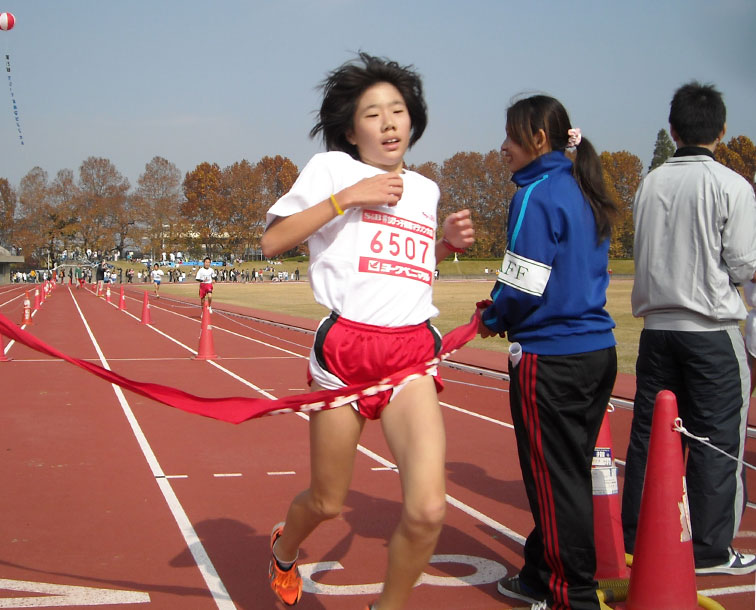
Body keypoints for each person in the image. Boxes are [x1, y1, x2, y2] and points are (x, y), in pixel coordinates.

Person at [261, 53, 474, 610]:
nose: (388, 123)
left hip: (410, 354)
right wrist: (348, 198)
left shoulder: (425, 191)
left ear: (413, 121)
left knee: (428, 509)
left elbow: (403, 270)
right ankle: (286, 548)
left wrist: (444, 244)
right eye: (373, 113)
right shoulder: (332, 171)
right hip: (345, 353)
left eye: (398, 111)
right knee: (329, 502)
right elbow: (272, 242)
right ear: (351, 130)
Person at [479, 95, 618, 610]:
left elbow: (523, 282)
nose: (503, 147)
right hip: (597, 350)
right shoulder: (584, 185)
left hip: (550, 356)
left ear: (538, 139)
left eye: (511, 136)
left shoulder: (536, 193)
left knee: (554, 480)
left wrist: (494, 316)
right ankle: (540, 572)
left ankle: (572, 595)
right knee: (564, 472)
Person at [622, 81, 756, 576]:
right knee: (717, 440)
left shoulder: (650, 182)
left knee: (649, 436)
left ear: (673, 129)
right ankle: (709, 549)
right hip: (710, 329)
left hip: (656, 330)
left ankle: (636, 537)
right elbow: (744, 264)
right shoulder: (732, 186)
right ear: (722, 130)